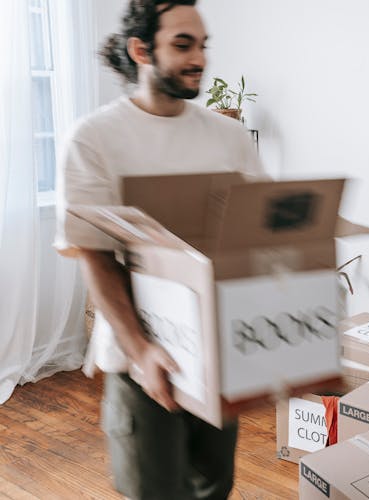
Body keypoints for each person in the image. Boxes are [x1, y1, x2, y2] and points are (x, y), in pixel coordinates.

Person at [54, 1, 263, 497]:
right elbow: (96, 256)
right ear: (141, 50)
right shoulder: (94, 139)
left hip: (214, 356)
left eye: (203, 45)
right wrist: (142, 349)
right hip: (140, 361)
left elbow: (253, 241)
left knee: (214, 487)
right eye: (183, 45)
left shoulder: (230, 137)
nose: (199, 59)